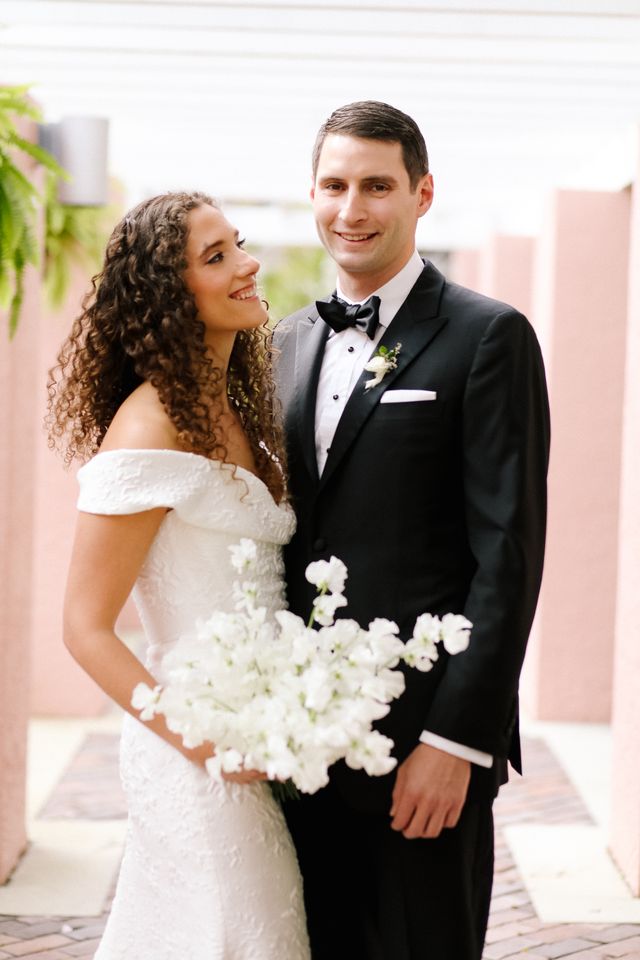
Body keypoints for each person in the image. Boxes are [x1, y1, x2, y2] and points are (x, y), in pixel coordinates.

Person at [274, 101, 550, 960]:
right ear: (312, 194)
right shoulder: (283, 342)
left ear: (422, 194)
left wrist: (457, 739)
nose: (351, 209)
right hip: (296, 747)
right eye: (334, 185)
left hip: (420, 748)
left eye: (376, 186)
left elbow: (509, 554)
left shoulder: (487, 336)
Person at [47, 192, 310, 960]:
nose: (247, 264)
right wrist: (206, 743)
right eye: (216, 255)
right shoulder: (151, 422)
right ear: (169, 293)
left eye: (240, 244)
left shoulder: (236, 409)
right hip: (192, 754)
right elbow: (84, 628)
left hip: (249, 747)